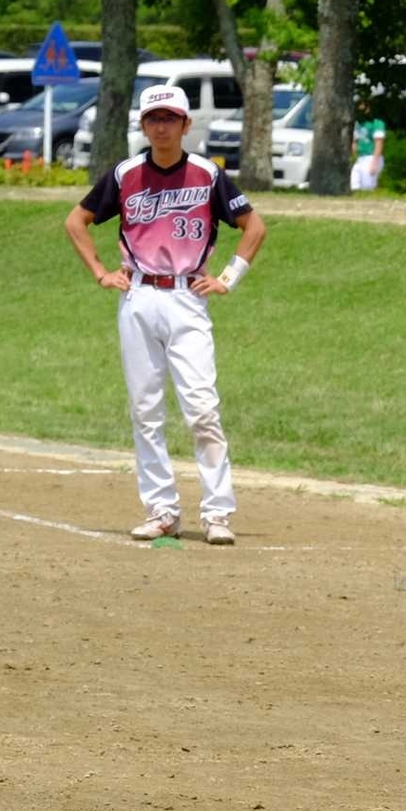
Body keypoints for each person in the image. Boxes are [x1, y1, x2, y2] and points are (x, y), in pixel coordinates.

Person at [63, 83, 264, 545]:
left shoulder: (207, 175)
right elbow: (77, 220)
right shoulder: (126, 173)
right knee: (145, 410)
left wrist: (228, 278)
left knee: (201, 408)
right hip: (138, 296)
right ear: (143, 125)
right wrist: (99, 272)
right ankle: (162, 510)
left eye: (170, 119)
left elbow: (253, 226)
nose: (161, 127)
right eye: (154, 119)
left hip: (186, 298)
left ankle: (217, 513)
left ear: (186, 125)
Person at [350, 110, 385, 192]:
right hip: (360, 157)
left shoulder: (377, 123)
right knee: (354, 183)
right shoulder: (358, 123)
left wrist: (375, 162)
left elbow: (379, 143)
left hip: (371, 157)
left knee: (367, 186)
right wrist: (353, 157)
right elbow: (355, 142)